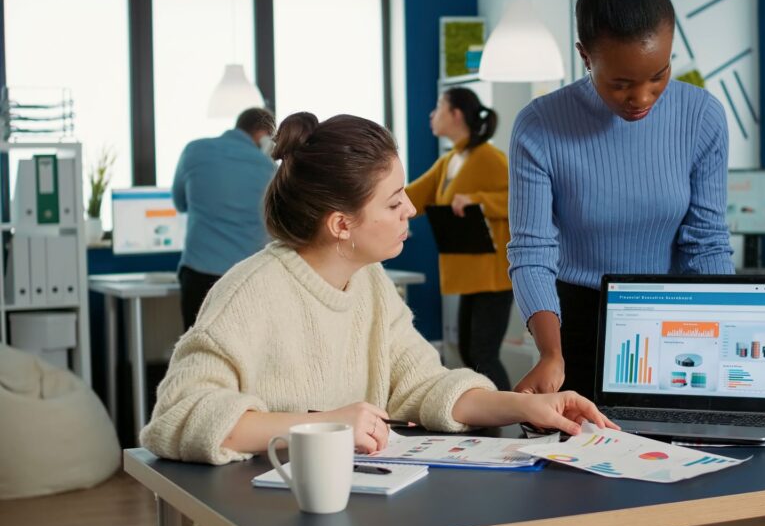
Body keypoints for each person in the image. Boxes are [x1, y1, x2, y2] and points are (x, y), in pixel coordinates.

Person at [142, 111, 615, 464]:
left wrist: (526, 406)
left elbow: (424, 384)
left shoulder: (370, 283)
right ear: (341, 224)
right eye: (393, 203)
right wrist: (324, 427)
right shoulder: (248, 293)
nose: (410, 209)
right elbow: (178, 415)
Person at [508, 0, 734, 401]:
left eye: (659, 75)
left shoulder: (702, 116)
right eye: (622, 84)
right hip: (576, 325)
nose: (643, 97)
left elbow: (706, 245)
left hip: (677, 321)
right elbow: (532, 252)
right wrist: (550, 354)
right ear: (586, 57)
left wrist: (734, 357)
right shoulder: (539, 126)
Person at [406, 88, 514, 389]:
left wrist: (477, 199)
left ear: (455, 115)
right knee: (469, 353)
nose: (432, 114)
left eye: (438, 106)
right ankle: (491, 422)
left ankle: (513, 417)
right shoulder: (451, 160)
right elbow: (412, 197)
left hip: (493, 279)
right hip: (472, 277)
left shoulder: (489, 158)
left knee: (482, 354)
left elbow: (522, 199)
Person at [171, 107, 278, 331]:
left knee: (196, 352)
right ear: (264, 136)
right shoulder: (269, 169)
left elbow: (180, 203)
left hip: (197, 275)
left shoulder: (194, 151)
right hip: (249, 278)